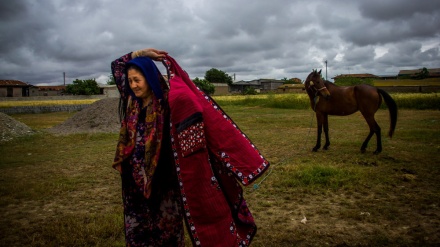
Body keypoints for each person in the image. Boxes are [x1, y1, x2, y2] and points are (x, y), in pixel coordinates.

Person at [111, 48, 270, 246]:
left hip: (163, 182)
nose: (133, 85)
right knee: (137, 230)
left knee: (165, 231)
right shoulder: (131, 102)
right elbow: (117, 65)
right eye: (131, 80)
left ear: (150, 78)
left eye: (137, 80)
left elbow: (191, 105)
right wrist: (141, 53)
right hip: (133, 183)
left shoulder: (167, 104)